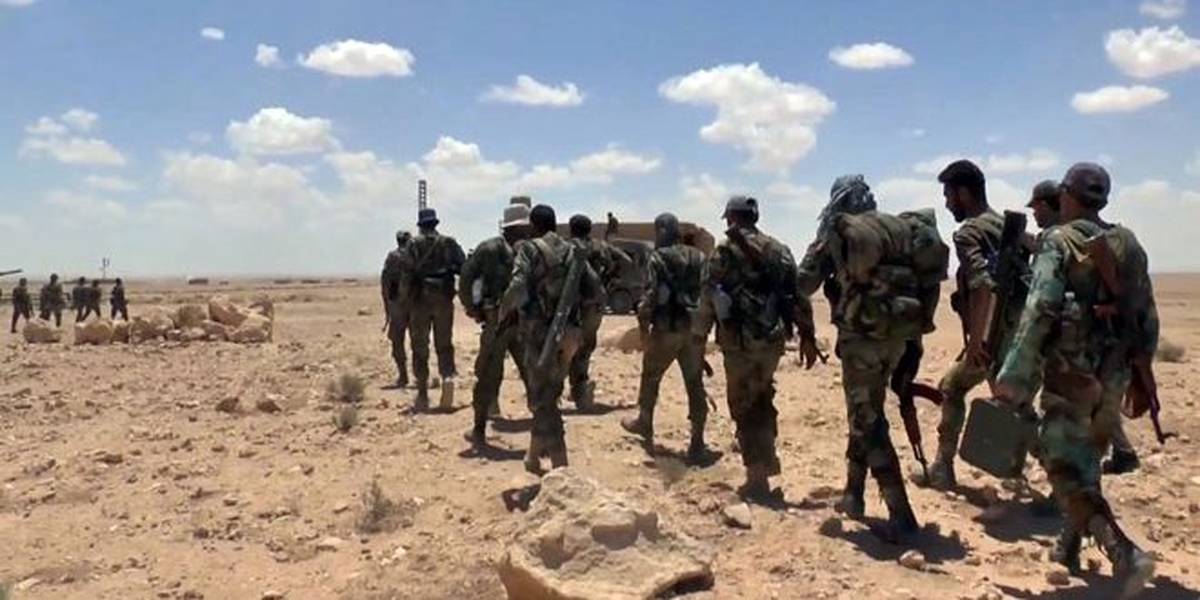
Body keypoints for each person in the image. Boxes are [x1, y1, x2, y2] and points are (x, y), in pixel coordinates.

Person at [995, 163, 1156, 595]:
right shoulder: (1128, 242)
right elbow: (1145, 312)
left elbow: (1040, 309)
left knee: (1063, 466)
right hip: (1115, 370)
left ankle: (1124, 553)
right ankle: (1068, 548)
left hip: (1072, 373)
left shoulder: (1058, 240)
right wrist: (1142, 372)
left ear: (1067, 195)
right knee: (1087, 459)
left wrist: (1014, 374)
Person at [796, 175, 946, 541]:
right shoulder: (899, 228)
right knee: (864, 413)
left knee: (867, 420)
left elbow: (803, 284)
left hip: (862, 339)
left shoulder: (840, 230)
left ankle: (901, 514)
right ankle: (853, 494)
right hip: (899, 339)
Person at [695, 195, 806, 500]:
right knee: (762, 394)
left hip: (739, 343)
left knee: (742, 403)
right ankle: (766, 459)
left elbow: (708, 295)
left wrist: (699, 338)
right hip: (771, 340)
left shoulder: (724, 251)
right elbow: (797, 292)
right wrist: (805, 332)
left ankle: (757, 476)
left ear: (731, 218)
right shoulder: (779, 249)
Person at [915, 159, 1015, 490]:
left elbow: (983, 285)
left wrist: (976, 344)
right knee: (1012, 405)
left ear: (964, 193)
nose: (947, 203)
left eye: (948, 195)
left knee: (952, 387)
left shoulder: (970, 232)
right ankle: (1040, 477)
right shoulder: (1006, 227)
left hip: (991, 338)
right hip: (1017, 336)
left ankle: (943, 469)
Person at [500, 204, 601, 473]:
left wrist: (503, 312)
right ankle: (533, 457)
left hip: (540, 337)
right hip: (570, 335)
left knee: (543, 400)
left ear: (533, 226)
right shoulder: (574, 251)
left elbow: (517, 287)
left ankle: (561, 466)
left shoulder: (530, 249)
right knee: (549, 393)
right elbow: (595, 291)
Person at [620, 212, 710, 461]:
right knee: (695, 384)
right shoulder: (699, 257)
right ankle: (697, 441)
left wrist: (643, 329)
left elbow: (649, 296)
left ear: (661, 232)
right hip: (693, 331)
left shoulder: (658, 258)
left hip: (667, 329)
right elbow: (708, 293)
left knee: (651, 377)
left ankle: (644, 422)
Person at [459, 201, 532, 449]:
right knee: (532, 373)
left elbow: (466, 279)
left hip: (497, 322)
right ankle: (544, 432)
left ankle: (479, 430)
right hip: (524, 323)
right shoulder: (532, 250)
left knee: (488, 373)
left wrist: (474, 309)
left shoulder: (488, 248)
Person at [404, 208, 465, 412]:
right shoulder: (449, 243)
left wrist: (406, 299)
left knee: (419, 345)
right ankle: (447, 378)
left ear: (421, 226)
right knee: (444, 343)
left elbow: (406, 272)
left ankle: (422, 392)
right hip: (443, 299)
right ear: (435, 224)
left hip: (420, 300)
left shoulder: (413, 244)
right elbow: (463, 267)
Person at [565, 214, 628, 411]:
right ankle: (580, 389)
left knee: (564, 346)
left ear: (571, 229)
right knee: (584, 348)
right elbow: (625, 260)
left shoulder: (567, 247)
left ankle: (558, 391)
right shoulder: (600, 247)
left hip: (569, 305)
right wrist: (609, 278)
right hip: (593, 305)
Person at [381, 230, 413, 388]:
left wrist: (387, 308)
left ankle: (403, 375)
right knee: (419, 341)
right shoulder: (416, 256)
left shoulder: (392, 257)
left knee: (397, 341)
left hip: (397, 305)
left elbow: (385, 283)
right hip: (415, 304)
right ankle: (421, 376)